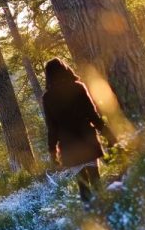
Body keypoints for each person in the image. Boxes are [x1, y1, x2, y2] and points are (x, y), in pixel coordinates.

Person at [42, 58, 116, 202]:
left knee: (83, 188)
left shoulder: (47, 98)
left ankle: (91, 215)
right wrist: (108, 135)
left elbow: (52, 128)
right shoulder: (78, 87)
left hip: (69, 146)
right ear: (65, 69)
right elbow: (92, 115)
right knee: (96, 181)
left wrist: (52, 151)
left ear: (48, 76)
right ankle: (106, 211)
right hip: (87, 139)